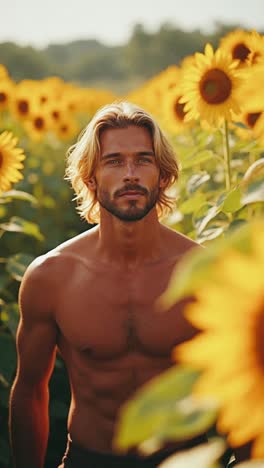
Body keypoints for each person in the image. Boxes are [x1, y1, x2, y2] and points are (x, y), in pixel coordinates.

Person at [9, 101, 205, 468]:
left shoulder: (203, 269)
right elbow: (31, 391)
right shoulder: (51, 276)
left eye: (143, 160)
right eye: (114, 161)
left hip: (187, 459)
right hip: (90, 458)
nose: (130, 174)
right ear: (90, 178)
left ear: (162, 176)